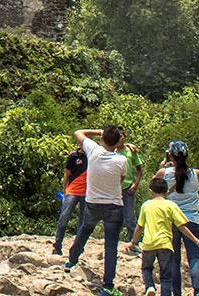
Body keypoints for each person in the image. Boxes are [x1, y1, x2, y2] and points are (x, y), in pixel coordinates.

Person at [64, 125, 128, 296]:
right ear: (118, 142)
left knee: (85, 229)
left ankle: (71, 261)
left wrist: (98, 132)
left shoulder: (93, 150)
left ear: (101, 139)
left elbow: (78, 132)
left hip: (93, 202)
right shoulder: (122, 160)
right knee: (111, 245)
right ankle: (107, 286)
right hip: (114, 205)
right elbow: (121, 179)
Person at [124, 177, 199, 296]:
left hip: (149, 244)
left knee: (146, 268)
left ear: (151, 191)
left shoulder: (146, 205)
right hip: (165, 245)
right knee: (165, 276)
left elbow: (139, 227)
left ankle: (149, 286)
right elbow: (182, 226)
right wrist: (197, 241)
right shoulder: (171, 205)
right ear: (166, 192)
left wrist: (132, 243)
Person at [157, 140, 199, 296]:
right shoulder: (197, 174)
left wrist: (162, 167)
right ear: (187, 156)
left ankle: (176, 292)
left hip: (172, 220)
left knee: (174, 259)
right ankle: (198, 291)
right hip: (192, 219)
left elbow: (155, 191)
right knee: (194, 257)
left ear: (170, 155)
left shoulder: (164, 174)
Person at [53, 144, 88, 255]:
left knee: (83, 222)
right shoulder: (73, 157)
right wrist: (65, 191)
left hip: (87, 193)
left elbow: (110, 147)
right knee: (64, 218)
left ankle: (78, 247)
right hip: (72, 191)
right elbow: (67, 174)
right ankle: (57, 246)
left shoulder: (93, 156)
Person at [118, 128, 145, 253]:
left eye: (121, 136)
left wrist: (136, 183)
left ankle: (134, 243)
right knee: (114, 217)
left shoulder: (130, 151)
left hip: (128, 187)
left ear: (125, 136)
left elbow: (139, 169)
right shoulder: (111, 150)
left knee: (129, 218)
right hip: (114, 188)